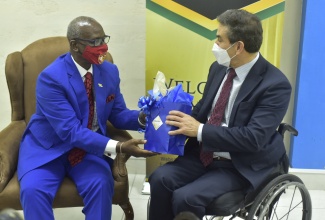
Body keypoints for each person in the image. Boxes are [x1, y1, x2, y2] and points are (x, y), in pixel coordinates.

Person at [148, 9, 291, 219]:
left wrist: (200, 130)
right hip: (202, 155)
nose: (215, 45)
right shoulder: (219, 68)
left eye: (219, 39)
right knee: (160, 178)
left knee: (186, 197)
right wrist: (163, 120)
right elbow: (201, 111)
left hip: (239, 164)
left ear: (238, 46)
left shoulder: (275, 85)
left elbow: (253, 138)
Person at [17, 16, 156, 220]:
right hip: (48, 148)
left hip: (87, 150)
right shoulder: (51, 78)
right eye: (95, 42)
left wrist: (145, 118)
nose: (103, 47)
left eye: (104, 39)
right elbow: (70, 131)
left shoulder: (108, 70)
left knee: (101, 184)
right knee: (32, 191)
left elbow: (117, 114)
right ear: (74, 45)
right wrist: (118, 147)